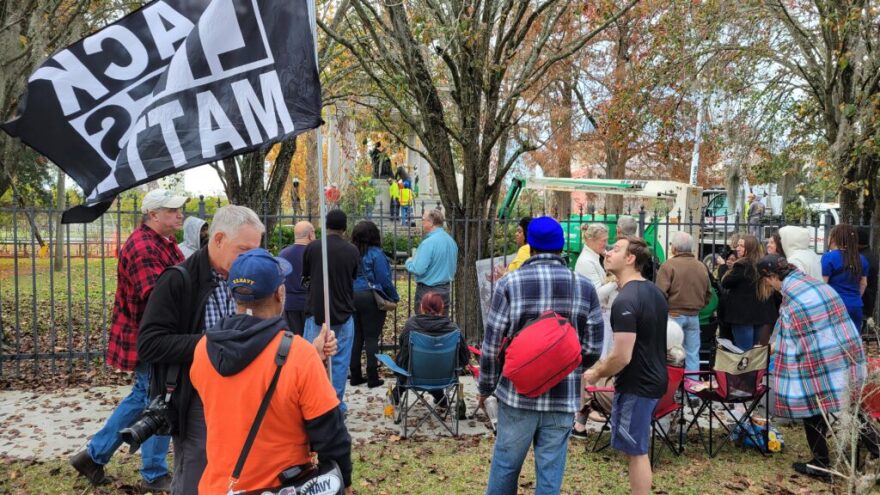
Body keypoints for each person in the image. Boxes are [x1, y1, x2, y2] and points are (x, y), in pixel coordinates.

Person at [190, 248, 351, 495]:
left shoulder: (204, 349)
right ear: (280, 292)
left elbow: (239, 396)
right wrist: (345, 482)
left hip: (219, 487)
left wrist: (311, 355)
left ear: (234, 296)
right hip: (280, 487)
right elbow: (331, 435)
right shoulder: (297, 356)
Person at [138, 205, 269, 494]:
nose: (251, 260)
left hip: (242, 394)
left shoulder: (247, 278)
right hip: (196, 397)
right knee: (196, 472)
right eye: (243, 250)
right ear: (219, 239)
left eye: (255, 251)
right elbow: (149, 343)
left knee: (236, 471)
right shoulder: (178, 279)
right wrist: (210, 343)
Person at [70, 189, 186, 491]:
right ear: (153, 214)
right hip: (150, 336)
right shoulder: (143, 247)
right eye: (172, 210)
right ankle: (153, 472)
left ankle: (93, 456)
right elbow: (158, 296)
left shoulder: (164, 242)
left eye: (179, 209)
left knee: (144, 396)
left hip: (156, 333)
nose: (179, 214)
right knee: (159, 400)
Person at [478, 216, 604, 495]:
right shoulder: (583, 287)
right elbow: (594, 346)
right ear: (561, 247)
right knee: (550, 474)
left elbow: (492, 344)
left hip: (516, 394)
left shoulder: (509, 284)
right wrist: (563, 367)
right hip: (562, 396)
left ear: (530, 245)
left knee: (506, 466)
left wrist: (486, 387)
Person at [758, 254, 866, 481]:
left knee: (812, 405)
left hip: (824, 356)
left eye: (767, 281)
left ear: (772, 277)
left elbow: (791, 346)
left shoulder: (795, 300)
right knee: (853, 407)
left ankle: (821, 464)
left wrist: (774, 361)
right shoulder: (813, 284)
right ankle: (875, 453)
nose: (768, 286)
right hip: (845, 350)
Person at [583, 236, 668, 495]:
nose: (608, 252)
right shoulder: (654, 292)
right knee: (635, 450)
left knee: (636, 451)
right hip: (651, 379)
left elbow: (622, 356)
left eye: (616, 249)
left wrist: (594, 373)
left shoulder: (625, 300)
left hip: (638, 384)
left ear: (631, 259)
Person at [302, 209, 360, 414]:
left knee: (312, 360)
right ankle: (335, 405)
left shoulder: (313, 248)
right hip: (343, 312)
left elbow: (305, 274)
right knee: (340, 361)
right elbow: (354, 276)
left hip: (316, 311)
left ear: (326, 225)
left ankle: (315, 405)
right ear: (344, 228)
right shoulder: (352, 251)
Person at [392, 292, 469, 405]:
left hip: (413, 376)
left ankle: (397, 392)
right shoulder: (453, 330)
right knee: (433, 366)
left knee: (406, 361)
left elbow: (403, 351)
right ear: (442, 307)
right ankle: (439, 396)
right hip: (445, 377)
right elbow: (465, 357)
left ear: (422, 307)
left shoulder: (411, 326)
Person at [655, 231, 711, 377]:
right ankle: (693, 391)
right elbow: (708, 293)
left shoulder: (668, 266)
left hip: (673, 315)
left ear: (674, 248)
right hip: (694, 315)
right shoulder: (701, 267)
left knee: (671, 354)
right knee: (693, 354)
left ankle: (672, 390)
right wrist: (699, 305)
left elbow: (660, 293)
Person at [351, 221, 400, 388]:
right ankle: (372, 376)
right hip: (370, 296)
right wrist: (394, 297)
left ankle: (355, 374)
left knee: (356, 336)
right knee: (371, 337)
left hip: (352, 296)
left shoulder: (351, 252)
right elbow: (384, 280)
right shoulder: (376, 254)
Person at [720, 234, 778, 349]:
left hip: (742, 316)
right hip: (759, 315)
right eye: (738, 245)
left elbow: (725, 282)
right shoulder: (762, 264)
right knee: (753, 349)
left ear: (750, 248)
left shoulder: (742, 265)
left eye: (741, 246)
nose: (737, 248)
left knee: (743, 350)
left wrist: (724, 268)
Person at [406, 209, 458, 315]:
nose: (422, 222)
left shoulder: (428, 243)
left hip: (427, 293)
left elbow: (418, 269)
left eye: (423, 220)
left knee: (424, 327)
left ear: (431, 223)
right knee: (441, 326)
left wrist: (409, 262)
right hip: (445, 290)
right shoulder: (451, 241)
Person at [822, 224, 869, 326]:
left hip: (835, 305)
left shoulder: (829, 257)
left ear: (834, 238)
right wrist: (855, 297)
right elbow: (863, 283)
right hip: (855, 305)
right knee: (853, 338)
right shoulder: (861, 259)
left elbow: (823, 284)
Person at [278, 221, 315, 335]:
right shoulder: (314, 253)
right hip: (309, 304)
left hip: (289, 304)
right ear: (310, 234)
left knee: (293, 341)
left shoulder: (283, 254)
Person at [575, 223, 609, 287]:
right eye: (604, 240)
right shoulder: (586, 262)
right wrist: (616, 280)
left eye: (607, 240)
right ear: (591, 240)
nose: (606, 244)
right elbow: (598, 294)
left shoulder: (600, 254)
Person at [859, 227, 878, 332]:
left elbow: (862, 282)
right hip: (868, 299)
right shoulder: (869, 255)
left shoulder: (863, 257)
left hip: (864, 300)